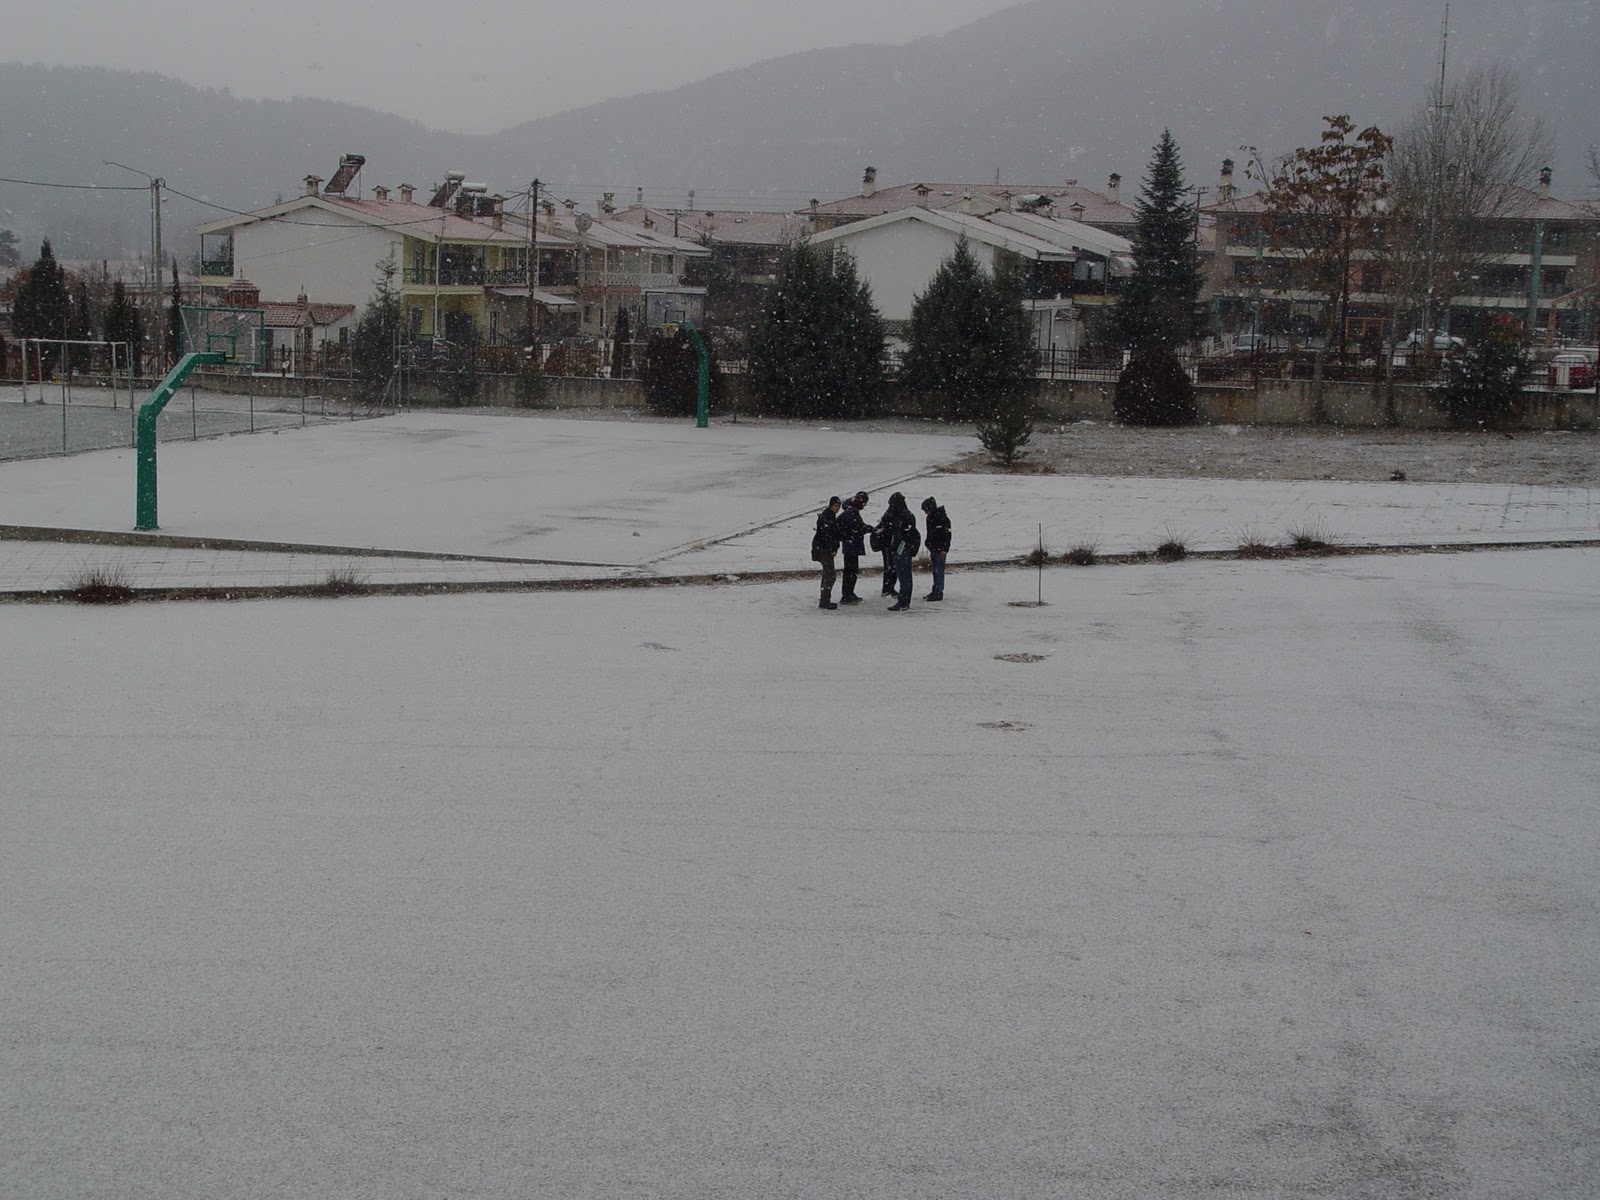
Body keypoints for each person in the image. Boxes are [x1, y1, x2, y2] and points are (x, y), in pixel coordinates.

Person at [875, 492, 920, 611]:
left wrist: (896, 545)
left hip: (902, 549)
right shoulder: (905, 515)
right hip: (903, 548)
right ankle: (904, 600)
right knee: (905, 576)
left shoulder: (901, 516)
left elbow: (902, 534)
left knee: (904, 575)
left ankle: (903, 601)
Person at [835, 490, 870, 604]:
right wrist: (868, 529)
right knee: (851, 571)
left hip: (849, 545)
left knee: (850, 571)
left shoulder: (849, 511)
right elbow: (858, 528)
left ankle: (849, 593)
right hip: (852, 546)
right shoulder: (852, 513)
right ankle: (847, 594)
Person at [811, 496, 843, 610]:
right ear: (831, 505)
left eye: (839, 506)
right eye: (835, 506)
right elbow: (827, 536)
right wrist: (832, 549)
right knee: (829, 575)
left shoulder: (829, 517)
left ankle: (825, 599)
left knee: (829, 575)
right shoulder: (827, 518)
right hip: (824, 550)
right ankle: (825, 600)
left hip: (823, 549)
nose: (837, 508)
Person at [921, 496, 951, 601]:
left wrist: (944, 549)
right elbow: (930, 533)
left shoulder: (942, 519)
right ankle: (936, 590)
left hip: (939, 549)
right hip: (933, 548)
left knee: (938, 571)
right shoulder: (931, 518)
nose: (926, 513)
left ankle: (938, 592)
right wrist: (928, 543)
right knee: (935, 571)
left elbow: (947, 535)